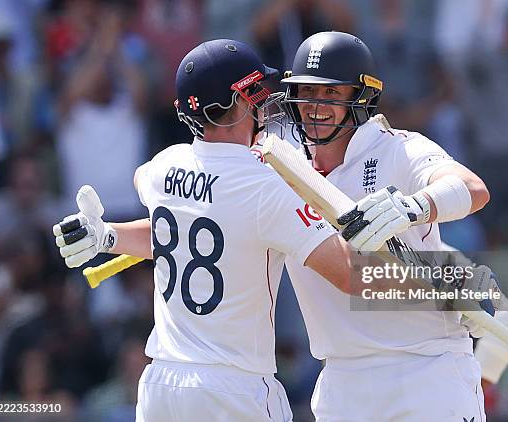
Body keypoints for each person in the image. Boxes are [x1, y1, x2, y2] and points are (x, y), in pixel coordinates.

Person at [52, 39, 358, 421]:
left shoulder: (162, 168)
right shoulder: (266, 187)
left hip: (162, 383)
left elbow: (178, 231)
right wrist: (447, 282)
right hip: (235, 389)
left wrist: (107, 235)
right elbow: (350, 274)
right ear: (244, 99)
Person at [279, 31, 494, 421]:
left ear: (361, 97)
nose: (315, 106)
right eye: (307, 92)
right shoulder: (284, 172)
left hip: (426, 368)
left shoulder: (397, 148)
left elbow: (473, 189)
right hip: (342, 380)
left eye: (331, 94)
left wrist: (414, 206)